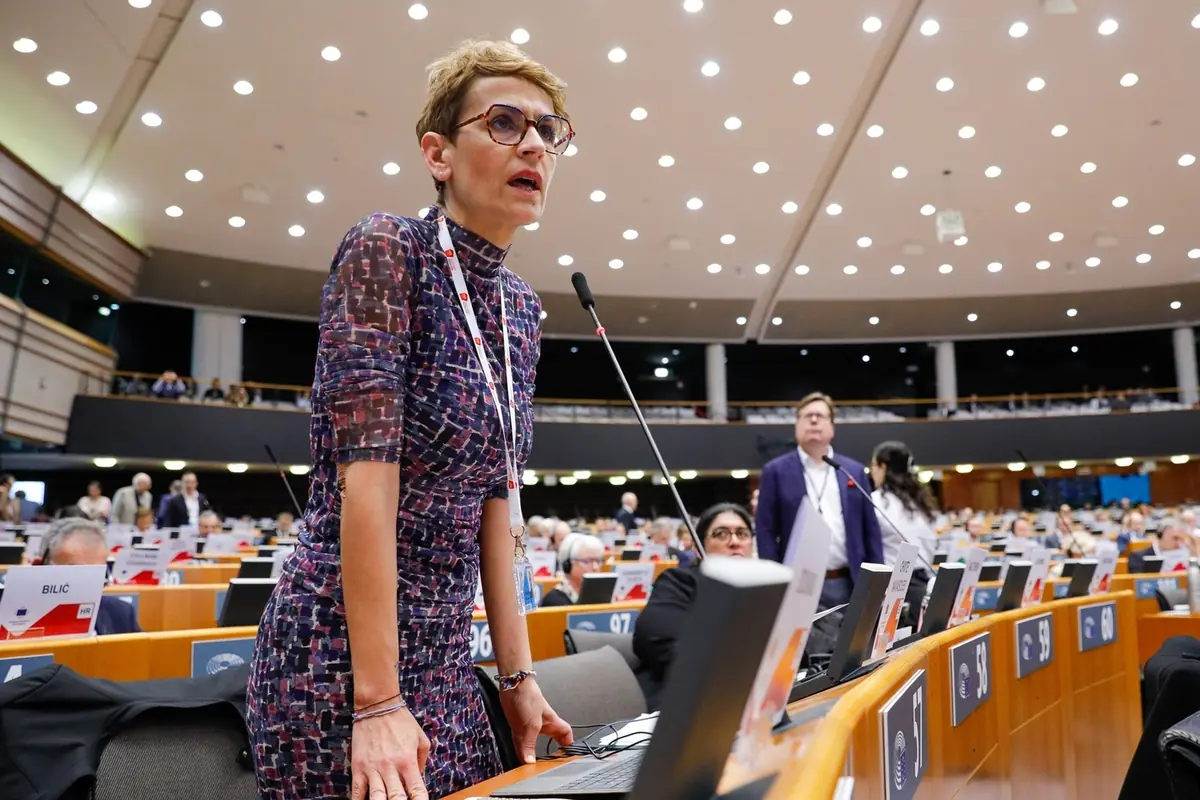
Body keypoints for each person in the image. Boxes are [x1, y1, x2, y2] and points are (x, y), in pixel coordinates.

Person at [246, 40, 575, 800]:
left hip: (449, 662)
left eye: (548, 130)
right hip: (340, 659)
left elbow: (499, 501)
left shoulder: (519, 311)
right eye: (503, 122)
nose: (533, 144)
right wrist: (378, 700)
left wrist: (517, 674)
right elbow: (368, 489)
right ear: (438, 152)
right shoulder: (388, 251)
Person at [754, 392, 883, 611]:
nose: (814, 420)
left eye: (820, 416)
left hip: (849, 582)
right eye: (807, 416)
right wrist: (775, 583)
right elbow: (765, 531)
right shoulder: (775, 472)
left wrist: (878, 582)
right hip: (797, 584)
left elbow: (870, 529)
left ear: (832, 428)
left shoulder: (852, 471)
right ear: (797, 426)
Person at [632, 503, 754, 710]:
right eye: (721, 534)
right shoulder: (680, 581)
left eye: (742, 534)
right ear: (699, 549)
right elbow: (656, 639)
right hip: (692, 705)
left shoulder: (766, 585)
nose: (734, 542)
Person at [869, 441, 938, 628]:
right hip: (924, 586)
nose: (872, 471)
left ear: (883, 466)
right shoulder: (922, 503)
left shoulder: (875, 502)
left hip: (896, 590)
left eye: (873, 466)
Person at [35, 518, 141, 636]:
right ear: (39, 566)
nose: (84, 591)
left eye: (95, 578)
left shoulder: (121, 614)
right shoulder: (14, 620)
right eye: (74, 576)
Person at [540, 533, 605, 607]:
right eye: (587, 561)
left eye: (598, 561)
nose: (595, 567)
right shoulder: (554, 601)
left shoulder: (601, 596)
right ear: (568, 565)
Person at [1129, 518, 1196, 573]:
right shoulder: (1138, 557)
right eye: (1175, 538)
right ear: (1160, 534)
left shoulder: (1187, 555)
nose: (1179, 544)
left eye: (1182, 540)